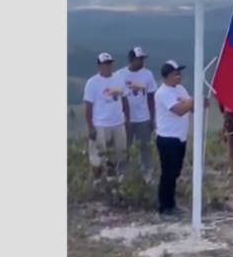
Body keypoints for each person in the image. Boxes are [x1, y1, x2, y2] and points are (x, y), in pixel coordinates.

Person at [154, 60, 207, 219]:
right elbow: (180, 110)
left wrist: (198, 101)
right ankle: (164, 208)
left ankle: (171, 205)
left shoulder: (180, 89)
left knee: (175, 173)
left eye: (179, 72)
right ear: (167, 76)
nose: (179, 76)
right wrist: (192, 100)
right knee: (168, 174)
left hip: (179, 138)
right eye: (175, 73)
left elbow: (191, 105)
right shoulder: (162, 92)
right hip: (167, 138)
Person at [83, 52, 131, 185]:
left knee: (117, 154)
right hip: (100, 124)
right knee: (97, 156)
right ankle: (97, 180)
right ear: (99, 66)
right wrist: (90, 127)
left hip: (118, 123)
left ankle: (112, 179)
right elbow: (88, 106)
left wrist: (127, 119)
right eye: (105, 64)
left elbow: (125, 100)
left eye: (109, 63)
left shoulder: (119, 79)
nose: (108, 66)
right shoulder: (92, 83)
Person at [116, 46, 158, 183]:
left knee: (144, 146)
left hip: (143, 117)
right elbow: (116, 98)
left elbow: (151, 97)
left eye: (142, 59)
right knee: (125, 147)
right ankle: (123, 173)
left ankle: (147, 172)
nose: (141, 62)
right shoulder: (120, 75)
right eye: (138, 59)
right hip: (125, 118)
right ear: (131, 60)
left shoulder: (148, 75)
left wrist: (153, 118)